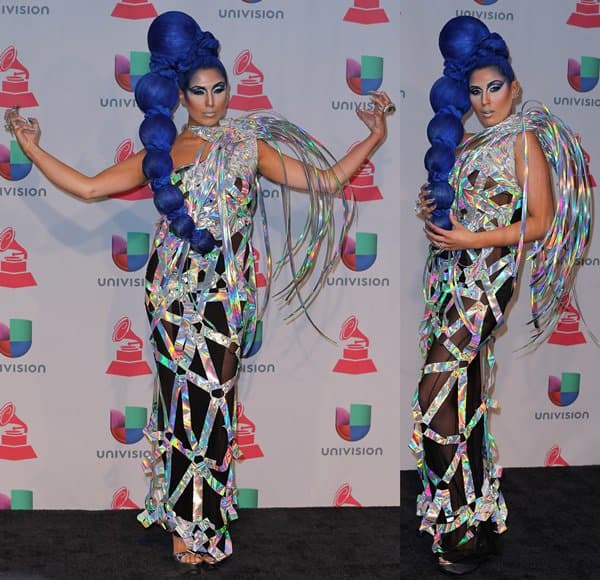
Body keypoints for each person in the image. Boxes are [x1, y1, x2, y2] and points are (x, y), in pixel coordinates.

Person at [4, 10, 394, 568]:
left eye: (219, 89)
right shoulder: (163, 154)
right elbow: (90, 189)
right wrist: (32, 147)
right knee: (179, 404)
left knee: (215, 405)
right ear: (181, 96)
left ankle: (207, 515)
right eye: (199, 92)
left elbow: (326, 180)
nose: (211, 101)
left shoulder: (248, 146)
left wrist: (374, 137)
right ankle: (185, 525)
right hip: (169, 294)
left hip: (224, 295)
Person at [411, 15, 591, 576]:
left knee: (435, 395)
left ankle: (463, 523)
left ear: (514, 87)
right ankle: (473, 523)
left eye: (495, 88)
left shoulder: (523, 138)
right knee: (458, 395)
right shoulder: (468, 144)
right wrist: (437, 213)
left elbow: (540, 221)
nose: (486, 101)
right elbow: (468, 208)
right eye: (475, 90)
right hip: (450, 278)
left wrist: (471, 237)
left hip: (488, 282)